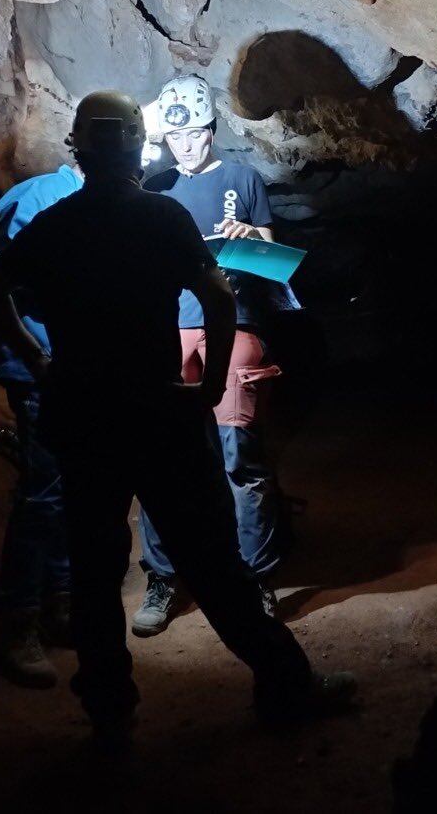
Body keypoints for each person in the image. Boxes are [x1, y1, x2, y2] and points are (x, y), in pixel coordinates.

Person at [0, 91, 354, 750]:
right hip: (156, 409)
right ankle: (285, 685)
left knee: (93, 571)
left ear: (78, 149)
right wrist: (205, 387)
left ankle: (110, 715)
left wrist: (40, 360)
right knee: (211, 558)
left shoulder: (56, 225)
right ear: (135, 147)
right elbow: (216, 293)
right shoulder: (159, 215)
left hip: (83, 413)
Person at [133, 74, 295, 637]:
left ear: (211, 128)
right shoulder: (153, 186)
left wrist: (249, 235)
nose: (184, 146)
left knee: (240, 457)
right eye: (174, 137)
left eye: (194, 135)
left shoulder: (243, 179)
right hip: (170, 330)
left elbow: (274, 263)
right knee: (162, 456)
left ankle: (255, 579)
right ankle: (163, 575)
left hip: (236, 322)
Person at [0, 161, 83, 688]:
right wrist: (33, 355)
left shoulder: (89, 199)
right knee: (42, 495)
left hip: (76, 368)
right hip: (40, 367)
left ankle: (60, 604)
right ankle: (17, 623)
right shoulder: (41, 198)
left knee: (68, 490)